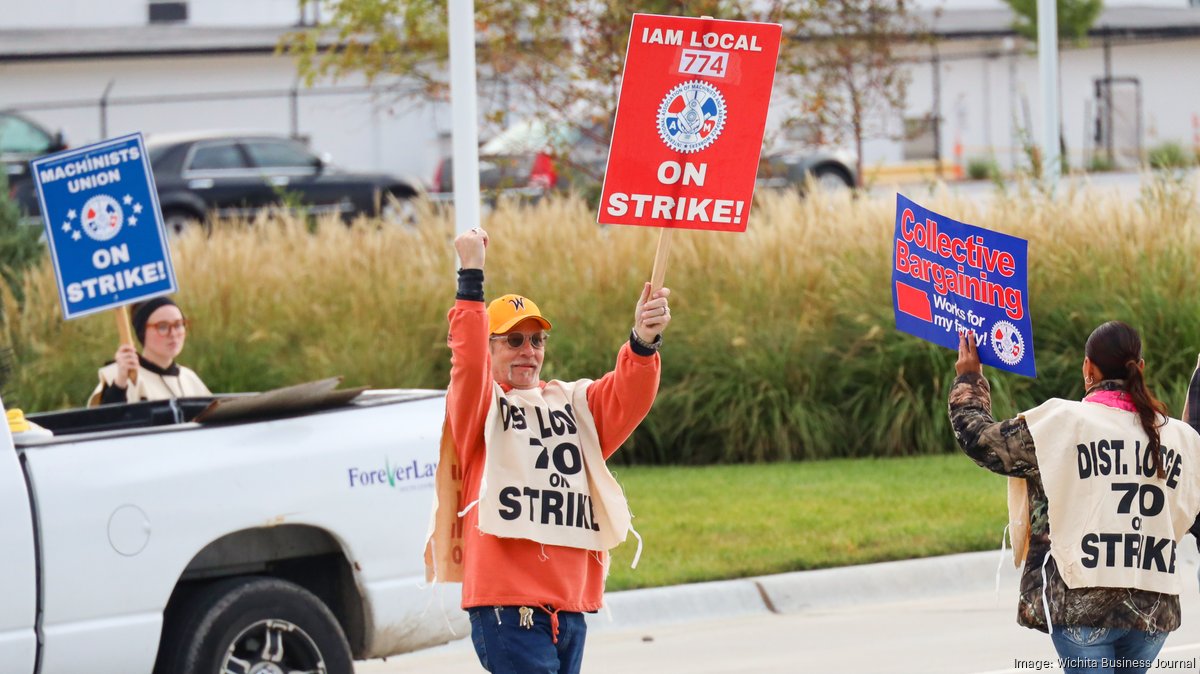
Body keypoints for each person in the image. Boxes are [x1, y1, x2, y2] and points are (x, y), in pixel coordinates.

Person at [430, 226, 670, 674]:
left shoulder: (573, 403)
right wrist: (471, 278)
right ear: (490, 348)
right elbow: (467, 366)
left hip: (568, 605)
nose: (528, 351)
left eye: (537, 340)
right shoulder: (480, 407)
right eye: (514, 340)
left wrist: (643, 340)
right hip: (506, 606)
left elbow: (627, 396)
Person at [949, 321, 1200, 674]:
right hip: (1153, 609)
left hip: (1082, 601)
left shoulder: (1062, 422)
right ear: (1140, 368)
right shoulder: (1182, 439)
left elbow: (980, 441)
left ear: (1088, 368)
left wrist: (969, 380)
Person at [88, 296, 211, 406]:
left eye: (178, 324)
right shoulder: (119, 376)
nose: (173, 334)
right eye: (162, 326)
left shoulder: (189, 378)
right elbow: (105, 423)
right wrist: (120, 384)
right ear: (142, 332)